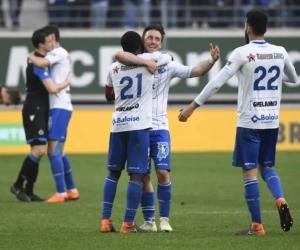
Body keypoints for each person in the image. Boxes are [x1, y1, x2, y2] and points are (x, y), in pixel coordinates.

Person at [178, 10, 297, 235]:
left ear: (248, 27)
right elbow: (293, 79)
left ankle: (257, 226)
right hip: (271, 121)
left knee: (249, 170)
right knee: (267, 166)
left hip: (249, 121)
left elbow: (216, 83)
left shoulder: (242, 53)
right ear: (266, 28)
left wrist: (192, 106)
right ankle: (280, 198)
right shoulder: (280, 52)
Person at [114, 23, 220, 232]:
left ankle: (164, 220)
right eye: (149, 38)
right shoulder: (134, 62)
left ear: (161, 43)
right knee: (144, 175)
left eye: (157, 39)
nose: (153, 41)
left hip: (160, 126)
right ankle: (149, 221)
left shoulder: (168, 64)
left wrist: (211, 60)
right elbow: (120, 55)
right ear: (143, 40)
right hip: (139, 126)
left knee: (162, 172)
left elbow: (196, 71)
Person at [101, 30, 173, 233]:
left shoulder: (113, 68)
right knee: (138, 176)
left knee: (113, 173)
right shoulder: (150, 60)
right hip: (140, 125)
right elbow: (168, 57)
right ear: (140, 45)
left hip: (118, 125)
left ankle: (105, 222)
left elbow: (108, 95)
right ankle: (128, 224)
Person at [10, 28, 71, 202]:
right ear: (40, 44)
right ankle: (18, 184)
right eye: (48, 40)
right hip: (33, 109)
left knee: (39, 151)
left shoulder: (44, 60)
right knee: (39, 150)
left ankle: (28, 190)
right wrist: (66, 82)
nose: (52, 42)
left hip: (42, 109)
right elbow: (51, 88)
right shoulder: (38, 64)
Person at [28, 25, 79, 203]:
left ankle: (60, 192)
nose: (46, 41)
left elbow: (41, 63)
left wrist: (30, 55)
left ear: (52, 37)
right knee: (61, 151)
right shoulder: (63, 54)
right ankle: (72, 190)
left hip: (59, 106)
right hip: (63, 105)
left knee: (52, 150)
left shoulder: (56, 52)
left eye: (47, 37)